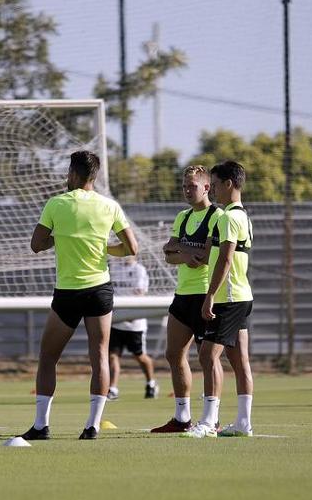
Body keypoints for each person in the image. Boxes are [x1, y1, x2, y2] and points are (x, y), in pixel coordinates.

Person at [17, 150, 139, 441]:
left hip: (68, 293)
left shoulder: (57, 204)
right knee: (100, 356)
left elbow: (36, 244)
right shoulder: (109, 206)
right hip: (99, 291)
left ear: (73, 174)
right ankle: (92, 426)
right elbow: (132, 248)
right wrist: (102, 247)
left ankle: (40, 426)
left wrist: (60, 235)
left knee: (48, 357)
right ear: (94, 176)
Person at [187, 161, 255, 438]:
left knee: (207, 355)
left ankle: (207, 422)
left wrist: (210, 296)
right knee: (239, 361)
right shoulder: (243, 216)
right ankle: (243, 423)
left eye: (214, 185)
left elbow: (225, 259)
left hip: (229, 298)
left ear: (228, 184)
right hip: (242, 295)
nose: (211, 190)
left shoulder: (227, 217)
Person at [151, 165, 220, 434]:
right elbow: (168, 251)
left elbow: (207, 253)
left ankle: (211, 419)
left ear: (206, 187)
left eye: (192, 186)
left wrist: (184, 249)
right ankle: (182, 418)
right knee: (173, 354)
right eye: (184, 186)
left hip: (206, 295)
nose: (187, 191)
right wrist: (185, 254)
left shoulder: (217, 215)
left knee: (209, 359)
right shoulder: (183, 216)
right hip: (182, 295)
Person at [106, 256, 157, 400]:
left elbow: (140, 292)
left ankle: (151, 383)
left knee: (139, 356)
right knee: (113, 355)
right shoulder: (113, 268)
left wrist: (132, 312)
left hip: (135, 323)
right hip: (116, 321)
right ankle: (113, 389)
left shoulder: (139, 270)